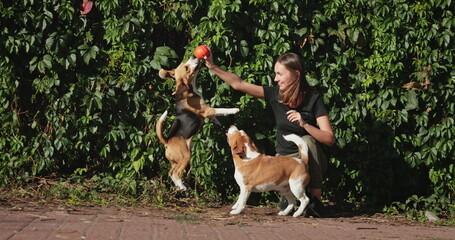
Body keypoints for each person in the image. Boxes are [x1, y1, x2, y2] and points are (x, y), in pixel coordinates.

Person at [204, 51, 335, 217]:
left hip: (309, 157)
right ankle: (293, 198)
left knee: (308, 140)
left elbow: (329, 138)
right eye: (275, 74)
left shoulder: (313, 100)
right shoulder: (275, 95)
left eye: (279, 74)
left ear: (296, 74)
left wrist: (304, 124)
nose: (275, 79)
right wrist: (212, 66)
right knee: (286, 206)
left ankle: (316, 201)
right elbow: (239, 84)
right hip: (282, 161)